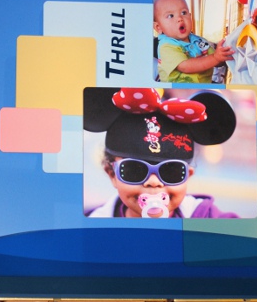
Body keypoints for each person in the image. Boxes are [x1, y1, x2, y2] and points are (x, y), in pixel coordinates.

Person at [84, 87, 239, 218]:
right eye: (134, 170)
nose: (154, 182)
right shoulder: (93, 222)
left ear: (187, 176)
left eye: (171, 171)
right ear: (112, 175)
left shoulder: (206, 217)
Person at [153, 0, 234, 83]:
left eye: (183, 13)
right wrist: (215, 58)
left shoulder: (199, 41)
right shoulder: (166, 46)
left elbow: (215, 57)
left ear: (190, 17)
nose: (180, 18)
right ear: (158, 27)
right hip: (178, 89)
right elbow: (185, 67)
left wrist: (223, 54)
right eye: (170, 16)